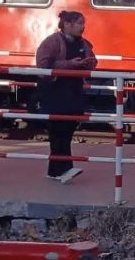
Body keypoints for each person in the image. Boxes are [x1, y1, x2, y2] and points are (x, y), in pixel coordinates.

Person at [35, 11, 98, 183]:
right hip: (54, 94)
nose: (83, 27)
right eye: (79, 23)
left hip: (73, 94)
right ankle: (63, 169)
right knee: (58, 132)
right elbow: (42, 66)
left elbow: (93, 60)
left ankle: (56, 171)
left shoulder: (84, 43)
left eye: (82, 22)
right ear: (67, 24)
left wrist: (88, 63)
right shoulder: (51, 42)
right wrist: (70, 64)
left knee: (66, 133)